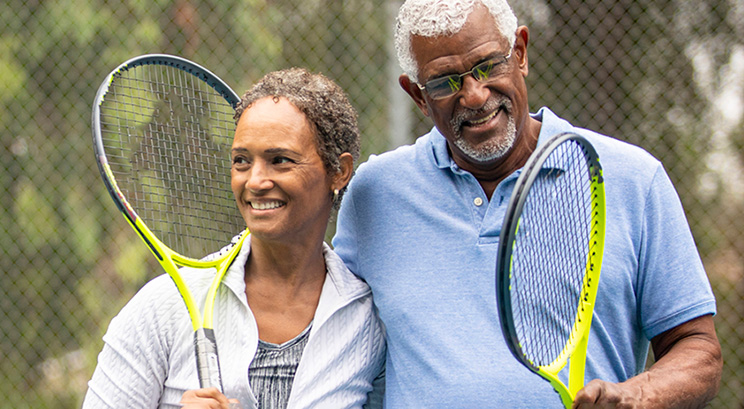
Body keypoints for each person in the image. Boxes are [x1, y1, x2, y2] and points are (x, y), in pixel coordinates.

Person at [332, 0, 722, 407]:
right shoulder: (374, 194)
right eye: (445, 82)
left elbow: (697, 347)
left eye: (487, 65)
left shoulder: (633, 179)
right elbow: (336, 342)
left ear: (520, 53)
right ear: (418, 95)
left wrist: (639, 395)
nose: (474, 95)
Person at [83, 68, 386, 409]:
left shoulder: (369, 320)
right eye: (241, 161)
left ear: (339, 172)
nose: (255, 181)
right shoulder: (162, 308)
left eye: (279, 160)